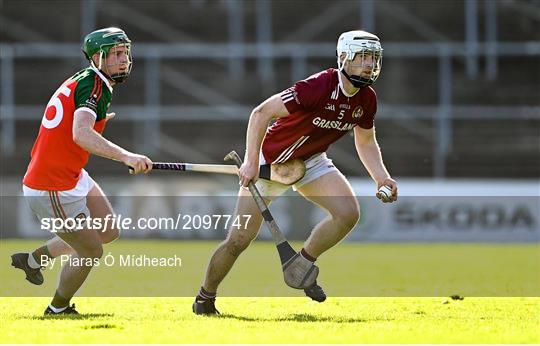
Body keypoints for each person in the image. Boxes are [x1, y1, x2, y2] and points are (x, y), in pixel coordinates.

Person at [193, 30, 398, 315]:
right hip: (272, 163)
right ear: (343, 58)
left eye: (373, 58)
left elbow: (365, 141)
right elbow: (261, 113)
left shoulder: (366, 99)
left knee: (348, 213)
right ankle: (205, 297)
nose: (368, 64)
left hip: (311, 162)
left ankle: (301, 263)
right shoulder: (318, 86)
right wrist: (252, 161)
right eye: (362, 56)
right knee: (238, 240)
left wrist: (381, 177)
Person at [11, 27, 153, 315]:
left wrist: (98, 120)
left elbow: (73, 123)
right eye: (115, 53)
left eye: (125, 52)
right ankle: (57, 309)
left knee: (108, 230)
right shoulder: (95, 85)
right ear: (97, 58)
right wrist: (126, 156)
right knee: (91, 250)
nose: (123, 59)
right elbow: (80, 133)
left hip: (71, 174)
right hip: (52, 185)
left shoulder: (91, 80)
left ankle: (35, 259)